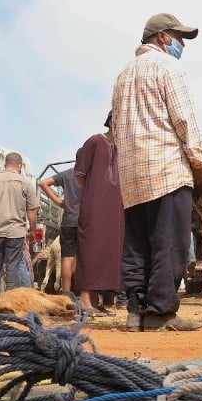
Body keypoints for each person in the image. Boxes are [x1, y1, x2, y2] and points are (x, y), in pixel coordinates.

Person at [112, 12, 202, 332]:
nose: (182, 44)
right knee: (169, 243)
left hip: (132, 175)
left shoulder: (122, 76)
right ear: (162, 37)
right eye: (179, 37)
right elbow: (185, 122)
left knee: (137, 244)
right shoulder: (168, 67)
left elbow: (114, 129)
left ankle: (135, 310)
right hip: (167, 169)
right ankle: (161, 312)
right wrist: (199, 166)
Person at [74, 111, 125, 315]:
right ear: (112, 121)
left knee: (110, 253)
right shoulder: (95, 141)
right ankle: (85, 300)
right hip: (95, 205)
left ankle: (95, 302)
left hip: (116, 208)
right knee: (91, 249)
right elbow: (80, 175)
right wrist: (95, 192)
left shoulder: (125, 150)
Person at [0, 152, 39, 309]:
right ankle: (10, 303)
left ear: (5, 164)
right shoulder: (25, 183)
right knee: (12, 266)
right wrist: (32, 230)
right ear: (19, 165)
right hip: (15, 233)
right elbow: (32, 211)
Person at [38, 167, 82, 299]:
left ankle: (66, 294)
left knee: (67, 259)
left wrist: (58, 201)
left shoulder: (67, 174)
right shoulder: (91, 174)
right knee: (85, 260)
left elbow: (42, 183)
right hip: (86, 223)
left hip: (68, 222)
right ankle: (87, 295)